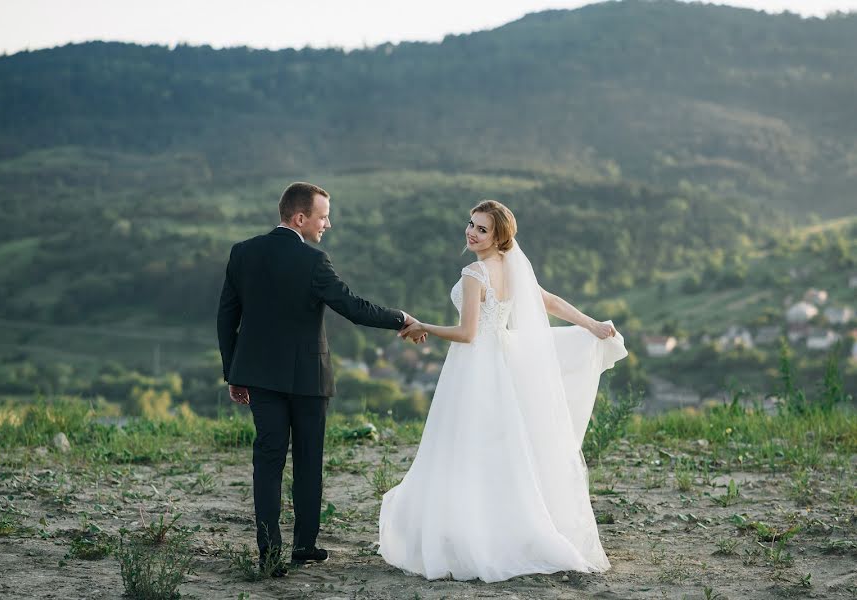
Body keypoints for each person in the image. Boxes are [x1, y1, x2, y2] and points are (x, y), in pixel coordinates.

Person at [379, 200, 627, 582]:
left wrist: (422, 325)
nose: (472, 233)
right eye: (471, 224)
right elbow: (550, 301)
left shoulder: (474, 272)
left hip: (474, 367)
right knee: (501, 448)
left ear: (498, 236)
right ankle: (497, 529)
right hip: (503, 366)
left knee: (464, 448)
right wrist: (591, 323)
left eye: (482, 229)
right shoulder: (512, 267)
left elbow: (467, 334)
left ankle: (473, 537)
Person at [217, 182, 417, 577]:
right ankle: (304, 545)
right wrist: (400, 318)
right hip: (308, 378)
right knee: (309, 459)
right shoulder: (314, 261)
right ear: (300, 218)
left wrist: (233, 373)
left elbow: (227, 317)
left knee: (268, 462)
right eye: (323, 216)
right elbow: (352, 307)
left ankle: (269, 553)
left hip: (258, 376)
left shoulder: (243, 253)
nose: (328, 223)